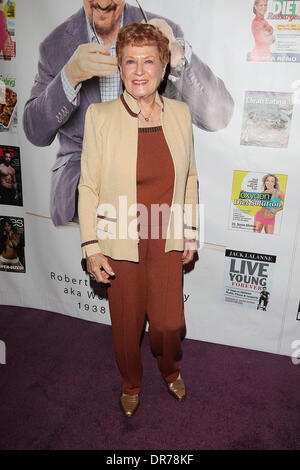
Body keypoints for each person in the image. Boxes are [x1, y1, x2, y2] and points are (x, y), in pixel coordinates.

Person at [23, 0, 234, 227]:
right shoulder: (54, 46)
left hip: (153, 198)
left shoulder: (162, 31)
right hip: (82, 201)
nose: (103, 2)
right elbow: (36, 132)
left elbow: (218, 117)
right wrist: (70, 75)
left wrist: (176, 51)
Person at [78, 22, 199, 417]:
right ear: (119, 66)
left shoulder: (180, 114)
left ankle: (170, 368)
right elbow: (88, 186)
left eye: (149, 61)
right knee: (127, 328)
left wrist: (190, 233)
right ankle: (131, 381)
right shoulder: (100, 115)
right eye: (130, 61)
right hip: (120, 237)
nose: (140, 70)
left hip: (165, 236)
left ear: (164, 67)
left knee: (167, 325)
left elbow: (191, 177)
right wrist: (91, 246)